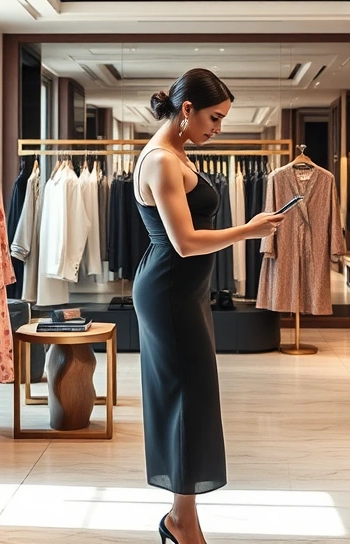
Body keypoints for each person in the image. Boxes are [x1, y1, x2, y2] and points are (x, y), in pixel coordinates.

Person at [133, 69, 286, 544]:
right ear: (186, 110)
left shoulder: (174, 152)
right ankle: (182, 523)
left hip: (183, 290)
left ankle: (184, 519)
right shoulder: (161, 160)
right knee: (188, 397)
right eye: (214, 118)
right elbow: (184, 242)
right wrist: (250, 229)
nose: (217, 129)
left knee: (192, 399)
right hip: (170, 289)